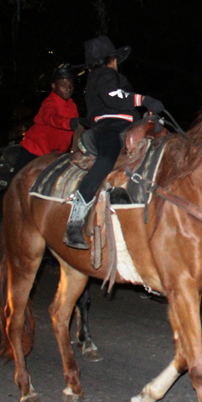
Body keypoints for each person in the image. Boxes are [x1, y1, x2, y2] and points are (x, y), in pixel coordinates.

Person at [64, 35, 164, 249]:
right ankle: (75, 220)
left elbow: (104, 105)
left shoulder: (100, 79)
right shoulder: (106, 74)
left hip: (125, 126)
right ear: (112, 59)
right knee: (106, 160)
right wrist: (144, 99)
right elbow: (112, 97)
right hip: (110, 127)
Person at [0, 64, 81, 242]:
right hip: (34, 151)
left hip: (55, 156)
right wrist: (70, 123)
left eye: (70, 84)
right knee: (13, 188)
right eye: (63, 84)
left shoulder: (72, 105)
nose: (68, 88)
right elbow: (51, 119)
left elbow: (76, 131)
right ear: (54, 86)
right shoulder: (49, 103)